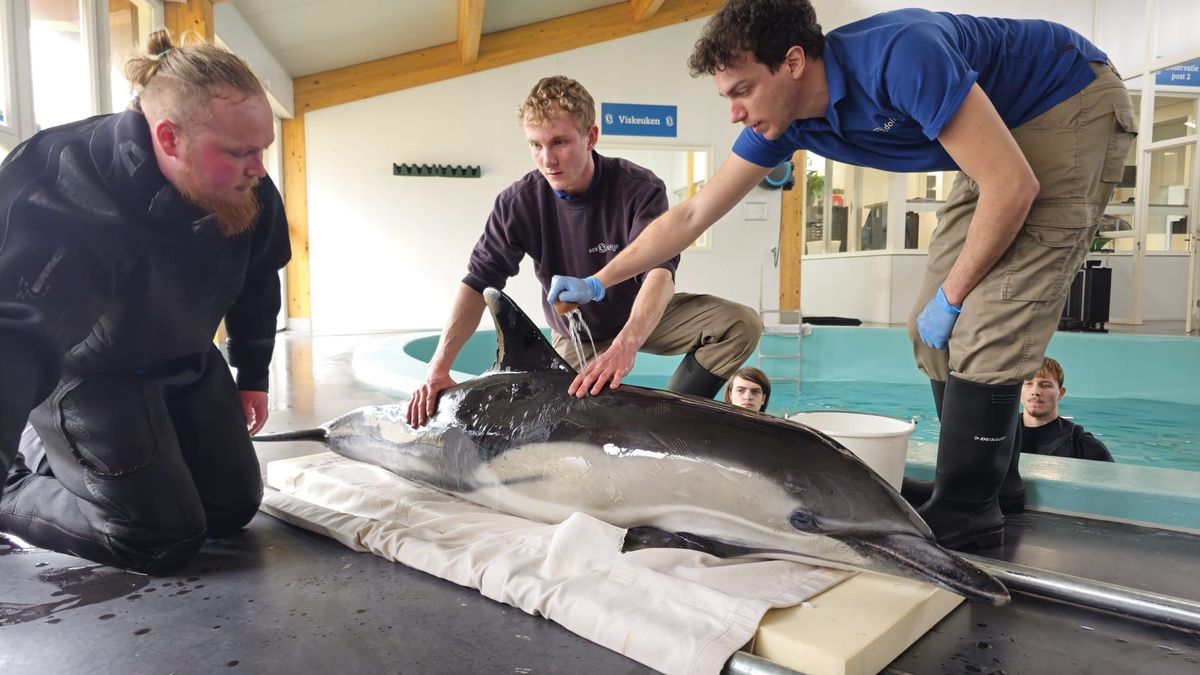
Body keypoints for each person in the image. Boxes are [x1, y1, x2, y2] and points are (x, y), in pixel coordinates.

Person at [547, 0, 1135, 550]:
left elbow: (1012, 186)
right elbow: (692, 214)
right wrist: (603, 279)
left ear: (793, 63)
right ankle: (992, 485)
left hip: (1066, 101)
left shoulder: (902, 57)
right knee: (927, 328)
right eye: (727, 96)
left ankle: (968, 510)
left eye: (743, 90)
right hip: (999, 133)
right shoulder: (786, 120)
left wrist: (955, 296)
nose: (735, 112)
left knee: (987, 320)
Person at [0, 30, 291, 573]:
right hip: (89, 373)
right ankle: (18, 481)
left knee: (230, 510)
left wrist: (253, 374)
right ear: (169, 137)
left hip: (185, 356)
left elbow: (258, 275)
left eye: (262, 149)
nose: (257, 167)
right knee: (158, 538)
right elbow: (12, 336)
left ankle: (80, 462)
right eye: (238, 152)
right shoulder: (59, 182)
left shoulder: (245, 183)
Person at [407, 76, 761, 426]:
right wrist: (438, 367)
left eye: (559, 142)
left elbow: (659, 273)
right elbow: (477, 283)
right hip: (575, 333)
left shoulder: (639, 188)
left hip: (642, 315)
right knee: (560, 425)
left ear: (591, 137)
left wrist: (627, 344)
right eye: (535, 145)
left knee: (740, 324)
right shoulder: (518, 203)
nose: (547, 159)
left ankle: (666, 421)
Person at [1019, 357, 1113, 462]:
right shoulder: (1004, 434)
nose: (1035, 392)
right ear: (1017, 389)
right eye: (1028, 384)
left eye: (1045, 385)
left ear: (1061, 393)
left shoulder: (1085, 447)